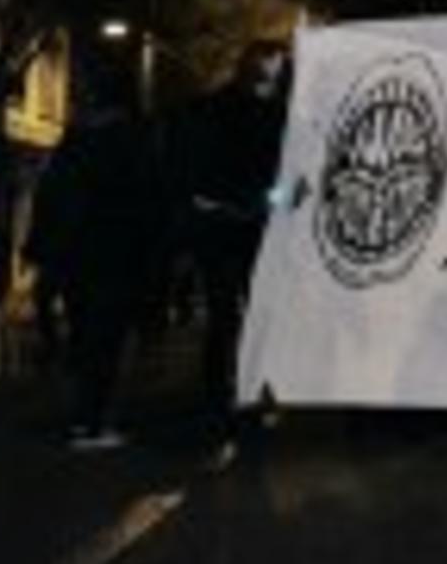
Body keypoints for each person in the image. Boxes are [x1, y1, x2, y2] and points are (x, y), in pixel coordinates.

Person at [30, 63, 165, 449]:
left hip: (74, 253)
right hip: (116, 254)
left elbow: (49, 196)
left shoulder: (73, 143)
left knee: (84, 332)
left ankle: (82, 417)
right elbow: (152, 202)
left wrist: (40, 248)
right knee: (107, 339)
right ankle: (96, 421)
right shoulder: (136, 141)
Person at [178, 40, 289, 448]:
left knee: (234, 315)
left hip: (233, 223)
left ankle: (230, 393)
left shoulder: (258, 111)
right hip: (239, 223)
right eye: (269, 65)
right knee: (240, 314)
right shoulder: (263, 114)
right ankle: (240, 393)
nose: (272, 73)